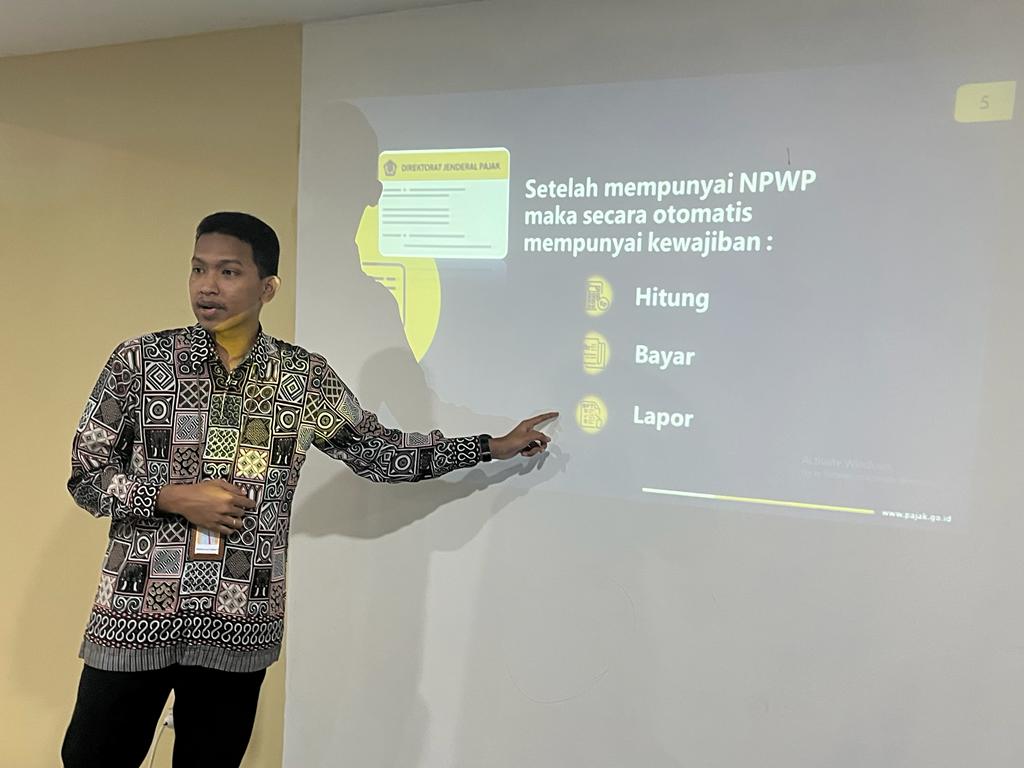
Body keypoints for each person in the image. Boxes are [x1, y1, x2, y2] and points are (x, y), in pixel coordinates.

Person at [60, 211, 557, 768]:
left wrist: (489, 446)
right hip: (134, 612)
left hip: (240, 617)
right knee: (90, 759)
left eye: (228, 271)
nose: (207, 285)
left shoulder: (302, 378)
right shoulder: (139, 361)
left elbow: (379, 454)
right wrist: (170, 496)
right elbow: (86, 475)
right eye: (198, 269)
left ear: (267, 287)